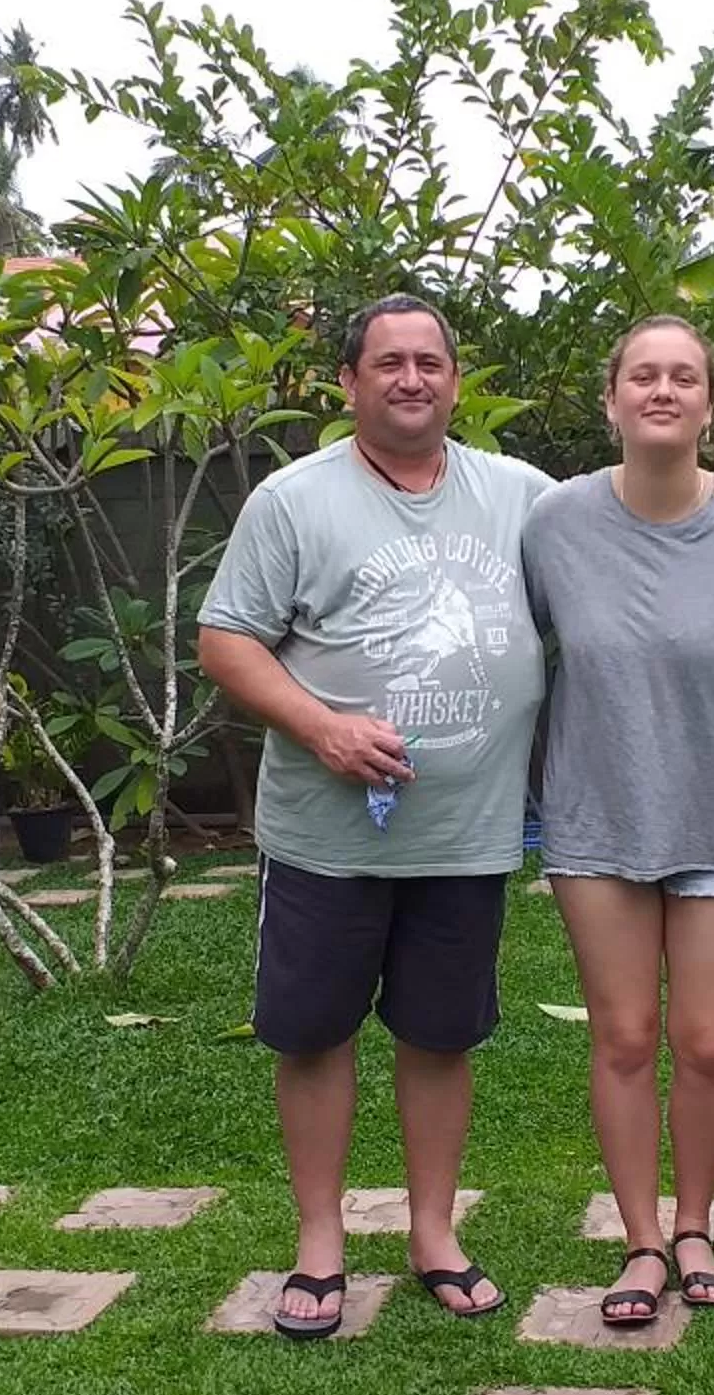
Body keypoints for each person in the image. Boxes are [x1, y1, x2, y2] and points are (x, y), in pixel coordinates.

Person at [196, 293, 555, 1340]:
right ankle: (320, 1239)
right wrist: (322, 727)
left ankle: (434, 1230)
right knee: (314, 1033)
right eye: (388, 362)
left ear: (455, 378)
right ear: (348, 383)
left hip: (466, 833)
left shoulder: (523, 494)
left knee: (440, 1034)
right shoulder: (293, 501)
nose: (411, 378)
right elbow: (228, 640)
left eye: (431, 361)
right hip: (325, 833)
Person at [522, 315, 714, 1326]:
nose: (664, 390)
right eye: (644, 375)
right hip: (597, 819)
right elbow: (521, 655)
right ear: (612, 400)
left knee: (709, 1037)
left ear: (710, 404)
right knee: (626, 1034)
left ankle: (695, 1223)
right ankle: (641, 1239)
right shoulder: (554, 522)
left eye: (685, 376)